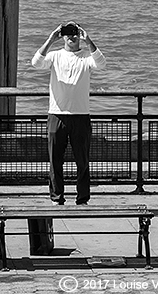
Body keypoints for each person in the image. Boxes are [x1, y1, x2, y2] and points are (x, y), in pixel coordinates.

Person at [31, 21, 106, 206]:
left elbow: (102, 64)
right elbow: (35, 63)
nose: (71, 36)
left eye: (74, 32)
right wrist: (50, 39)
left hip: (80, 115)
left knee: (82, 161)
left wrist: (88, 40)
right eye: (67, 32)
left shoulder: (86, 58)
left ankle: (83, 199)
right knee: (55, 161)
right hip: (56, 114)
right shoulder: (55, 56)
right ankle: (57, 198)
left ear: (79, 35)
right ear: (62, 35)